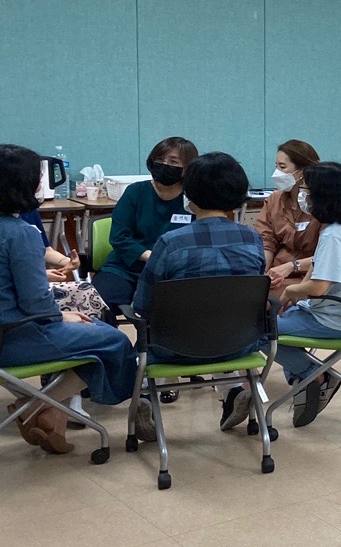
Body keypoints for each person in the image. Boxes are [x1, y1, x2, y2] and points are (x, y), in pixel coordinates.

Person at [0, 144, 137, 455]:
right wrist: (62, 316)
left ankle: (51, 417)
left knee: (90, 335)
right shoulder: (20, 233)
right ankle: (36, 406)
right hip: (13, 336)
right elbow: (36, 303)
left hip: (10, 327)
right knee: (113, 342)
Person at [133, 152, 266, 433]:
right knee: (217, 323)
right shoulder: (252, 238)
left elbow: (143, 305)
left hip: (174, 348)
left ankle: (143, 395)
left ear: (189, 194)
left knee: (140, 347)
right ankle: (233, 389)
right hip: (239, 344)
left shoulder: (170, 243)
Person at [275, 162, 341, 428]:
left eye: (307, 191)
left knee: (258, 330)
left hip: (337, 321)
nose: (303, 196)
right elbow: (321, 267)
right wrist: (300, 291)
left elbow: (320, 287)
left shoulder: (333, 235)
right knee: (279, 319)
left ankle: (314, 375)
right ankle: (304, 379)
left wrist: (292, 290)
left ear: (323, 196)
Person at [92, 137, 198, 311]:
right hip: (126, 269)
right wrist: (152, 256)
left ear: (188, 168)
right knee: (98, 303)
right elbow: (119, 237)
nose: (165, 165)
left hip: (172, 273)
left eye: (173, 162)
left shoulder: (193, 199)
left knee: (177, 309)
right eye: (160, 160)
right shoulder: (136, 192)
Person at [257, 139, 321, 300]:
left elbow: (329, 255)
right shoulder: (275, 200)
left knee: (265, 302)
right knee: (254, 294)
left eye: (282, 167)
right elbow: (266, 241)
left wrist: (292, 266)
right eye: (276, 166)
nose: (277, 173)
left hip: (312, 276)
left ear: (303, 171)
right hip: (278, 274)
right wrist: (265, 274)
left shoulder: (323, 204)